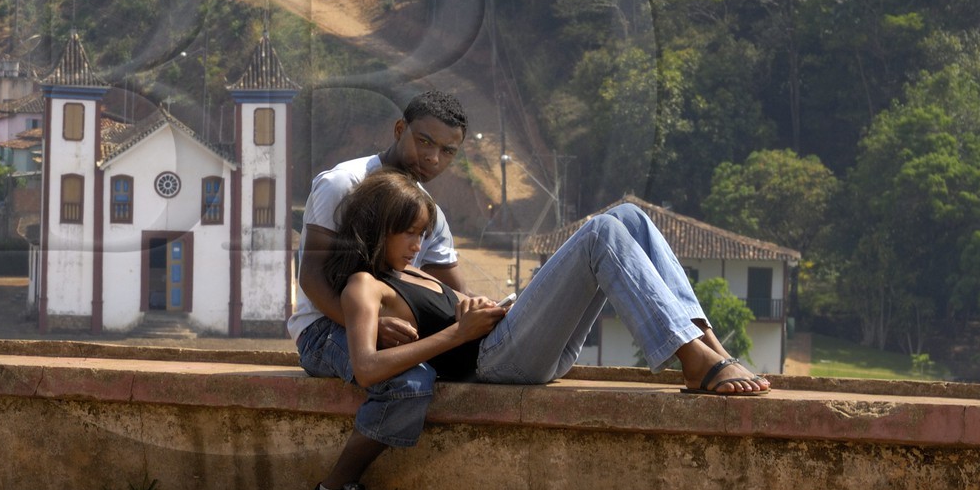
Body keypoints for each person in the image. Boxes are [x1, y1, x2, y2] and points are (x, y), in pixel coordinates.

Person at [330, 168, 771, 401]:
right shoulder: (364, 285)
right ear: (377, 227)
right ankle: (692, 358)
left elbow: (456, 308)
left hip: (515, 344)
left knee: (629, 218)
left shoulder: (415, 272)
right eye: (407, 233)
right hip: (493, 363)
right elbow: (366, 369)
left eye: (422, 234)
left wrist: (476, 306)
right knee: (601, 233)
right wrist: (457, 333)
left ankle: (709, 348)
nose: (417, 244)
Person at [289, 90, 474, 490]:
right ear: (399, 130)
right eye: (423, 141)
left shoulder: (429, 213)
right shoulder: (342, 183)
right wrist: (365, 327)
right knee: (408, 381)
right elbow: (312, 278)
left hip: (385, 326)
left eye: (447, 151)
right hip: (323, 328)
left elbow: (456, 292)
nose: (431, 158)